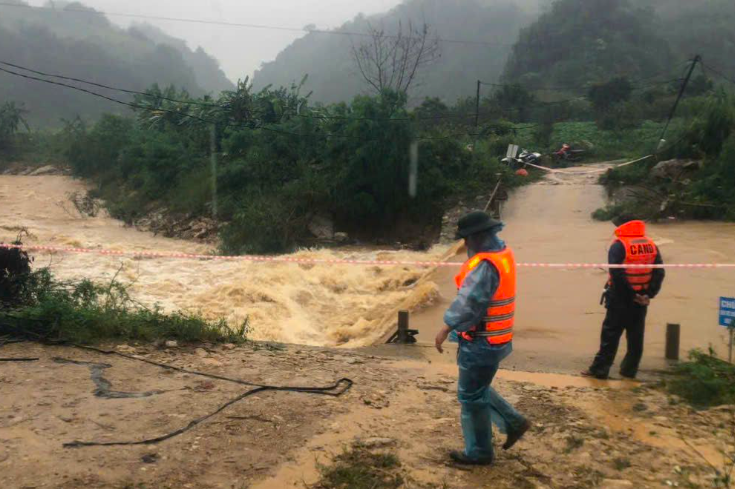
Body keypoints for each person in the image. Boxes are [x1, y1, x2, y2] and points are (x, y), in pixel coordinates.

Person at [435, 211, 530, 466]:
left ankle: (479, 453)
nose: (465, 244)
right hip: (497, 338)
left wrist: (446, 327)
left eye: (466, 239)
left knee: (471, 397)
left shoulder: (485, 265)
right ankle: (514, 422)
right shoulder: (503, 254)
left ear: (476, 237)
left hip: (482, 341)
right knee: (478, 389)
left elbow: (469, 304)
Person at [582, 218, 665, 380]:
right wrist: (648, 295)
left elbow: (617, 275)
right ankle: (629, 371)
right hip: (641, 300)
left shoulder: (619, 245)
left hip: (620, 299)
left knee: (610, 335)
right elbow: (659, 272)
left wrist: (631, 295)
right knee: (636, 337)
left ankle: (600, 370)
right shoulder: (651, 245)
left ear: (622, 227)